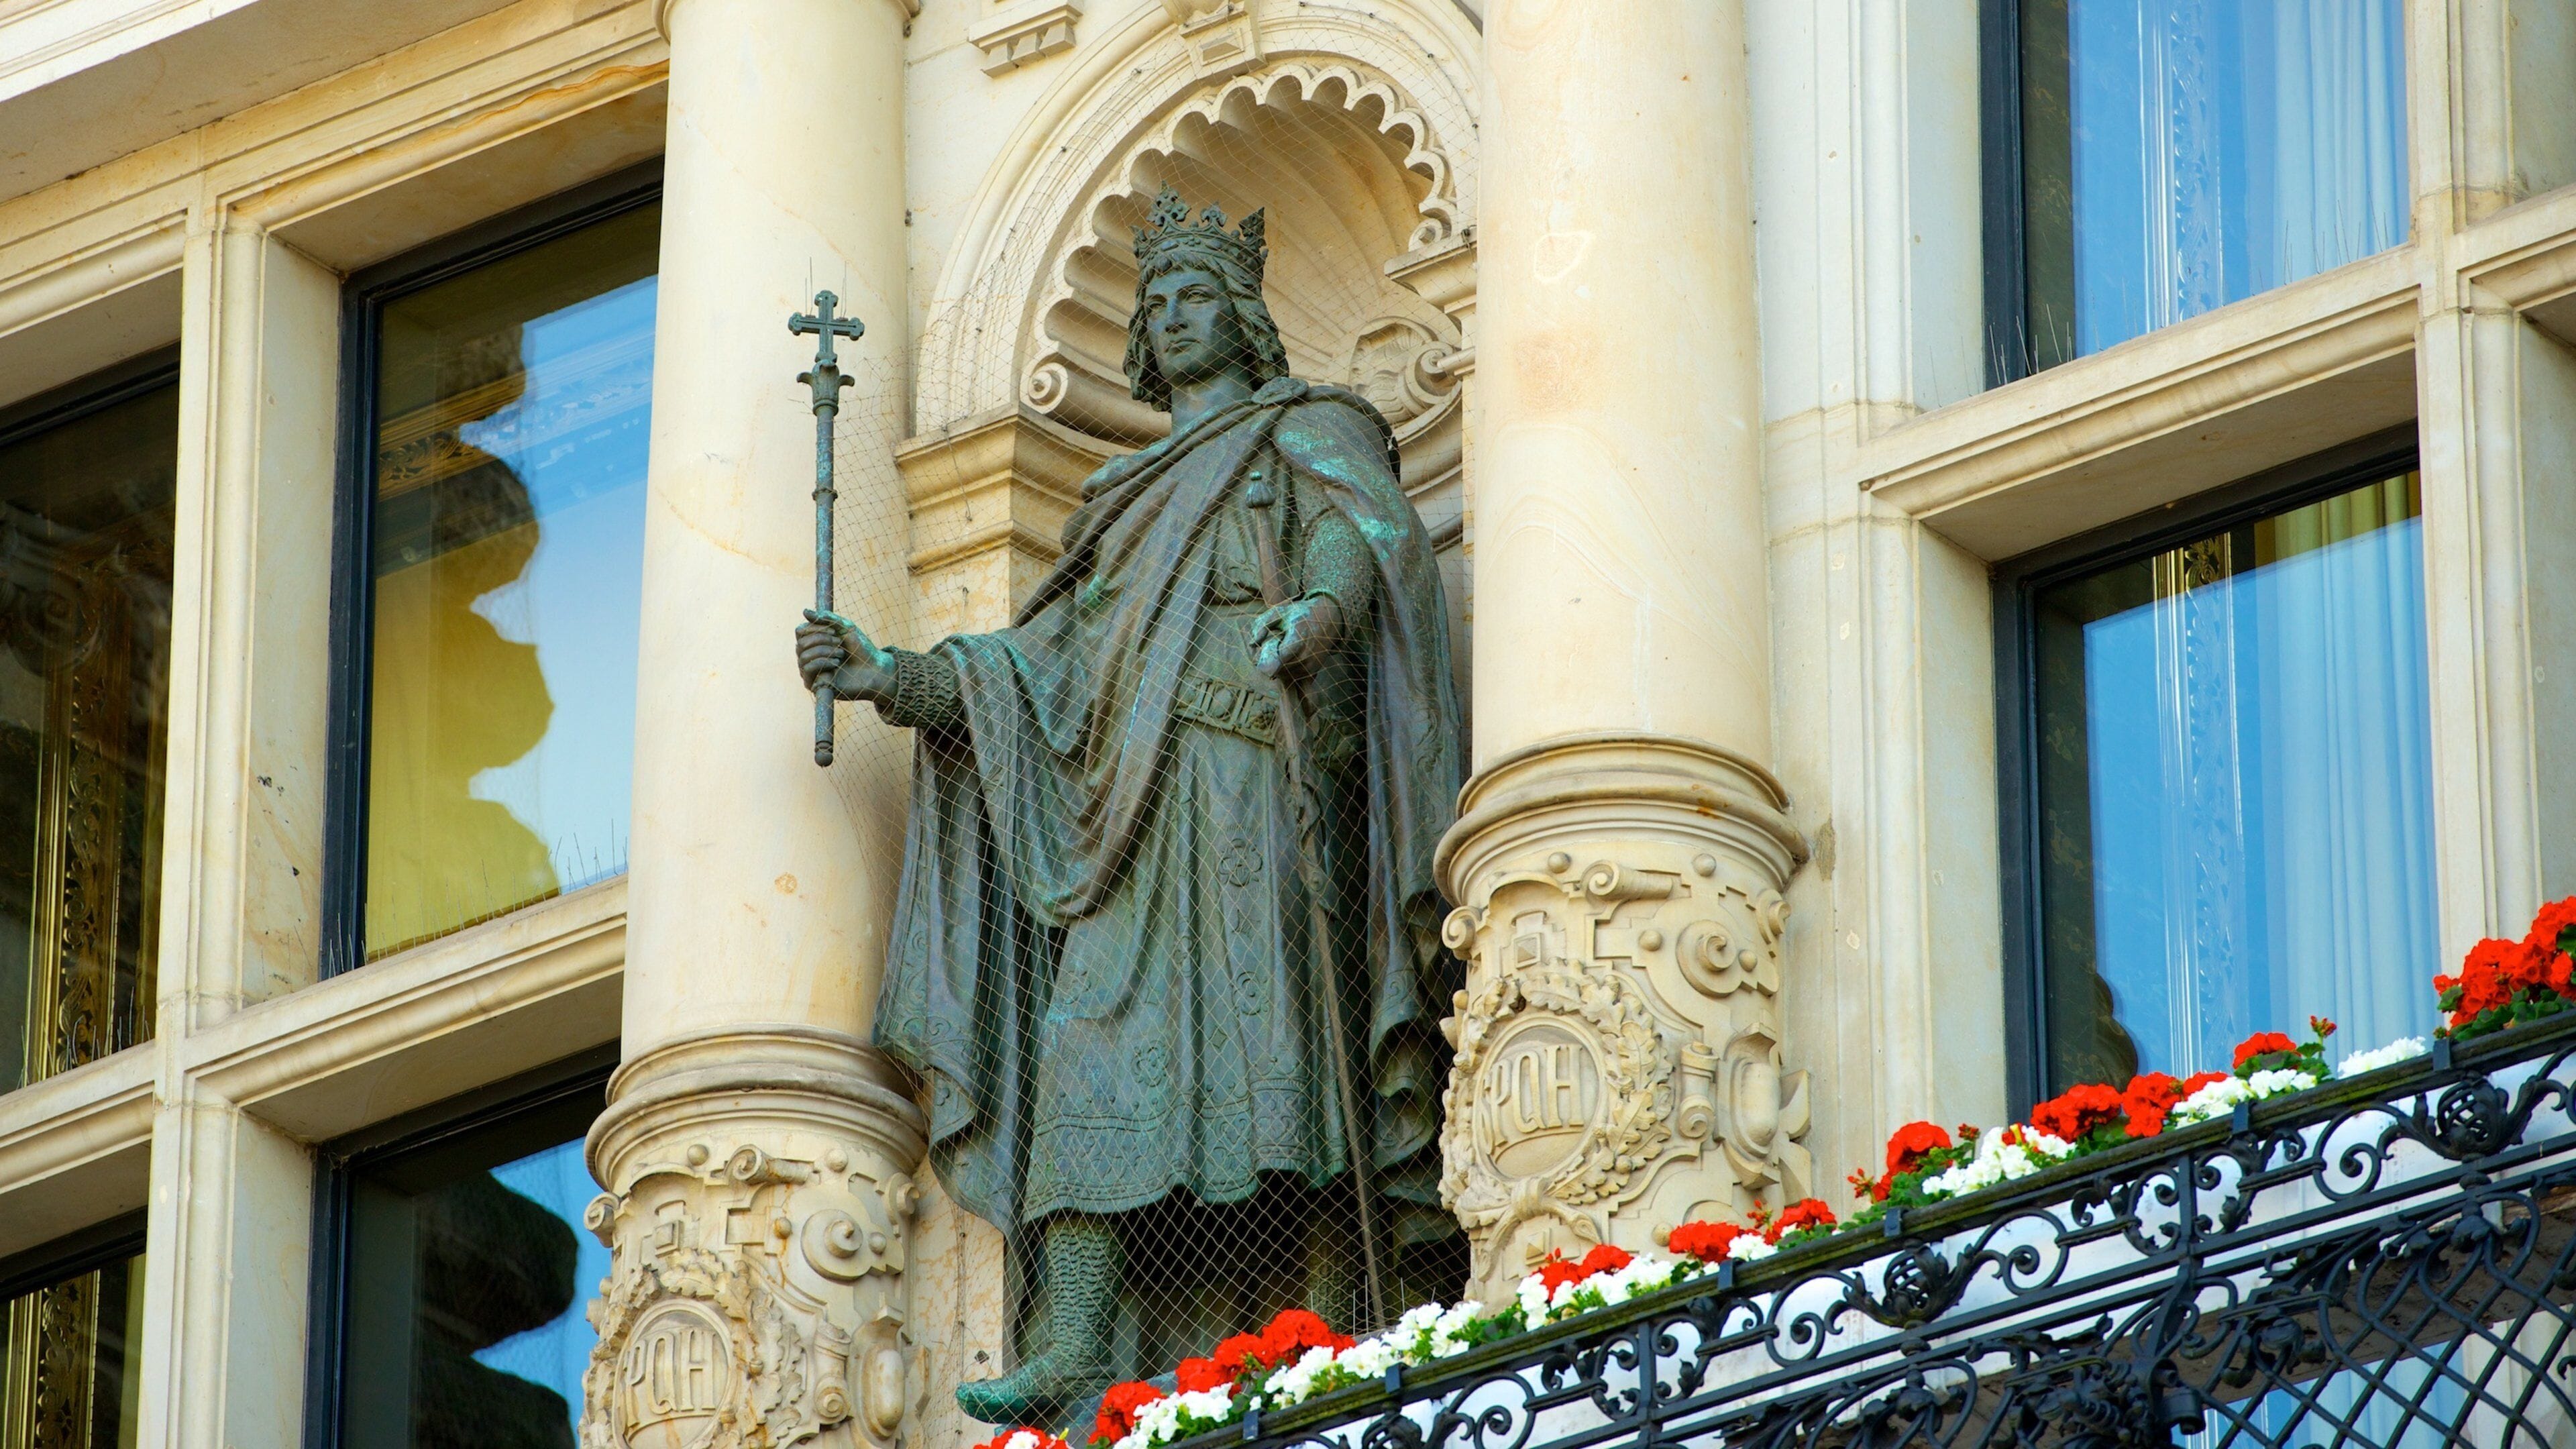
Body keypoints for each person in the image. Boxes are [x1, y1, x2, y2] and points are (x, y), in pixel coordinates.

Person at [795, 186, 1460, 1423]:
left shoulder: (1307, 429)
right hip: (1134, 817)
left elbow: (1359, 538)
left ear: (1245, 314)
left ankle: (1338, 1311)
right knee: (1087, 1037)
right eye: (1157, 302)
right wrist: (897, 679)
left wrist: (1319, 615)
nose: (1176, 315)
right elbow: (1043, 667)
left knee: (1287, 1044)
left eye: (1199, 294)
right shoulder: (1120, 497)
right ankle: (1077, 1336)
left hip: (1259, 779)